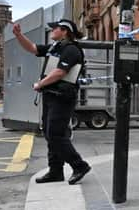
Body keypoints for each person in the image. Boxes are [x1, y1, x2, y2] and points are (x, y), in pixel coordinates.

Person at [12, 19, 91, 184]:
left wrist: (39, 84)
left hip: (62, 98)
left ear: (64, 31)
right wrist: (19, 36)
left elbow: (60, 72)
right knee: (50, 134)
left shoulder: (71, 50)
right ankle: (55, 171)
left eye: (54, 28)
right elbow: (33, 48)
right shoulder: (56, 47)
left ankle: (79, 165)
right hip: (51, 96)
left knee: (55, 134)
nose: (51, 31)